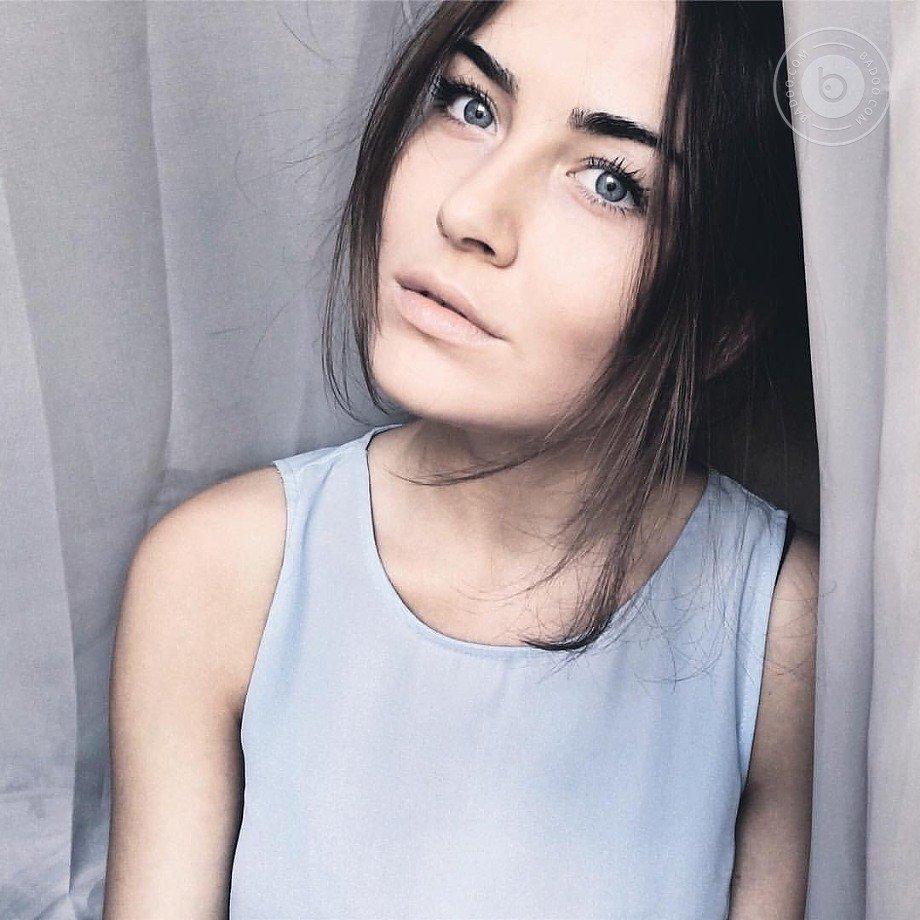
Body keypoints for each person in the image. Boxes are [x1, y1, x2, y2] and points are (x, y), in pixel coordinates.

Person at [103, 1, 819, 918]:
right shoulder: (221, 573)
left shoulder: (783, 630)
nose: (467, 210)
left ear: (725, 320)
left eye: (610, 181)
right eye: (471, 104)